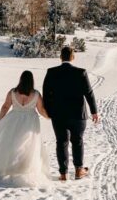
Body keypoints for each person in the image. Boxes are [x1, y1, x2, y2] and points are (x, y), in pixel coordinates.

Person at [42, 45, 100, 181]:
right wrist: (94, 112)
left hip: (58, 115)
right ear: (73, 57)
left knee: (61, 142)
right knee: (77, 141)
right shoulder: (81, 72)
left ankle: (63, 174)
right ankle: (79, 170)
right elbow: (89, 94)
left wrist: (48, 111)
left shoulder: (51, 72)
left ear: (60, 57)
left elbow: (46, 94)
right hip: (78, 115)